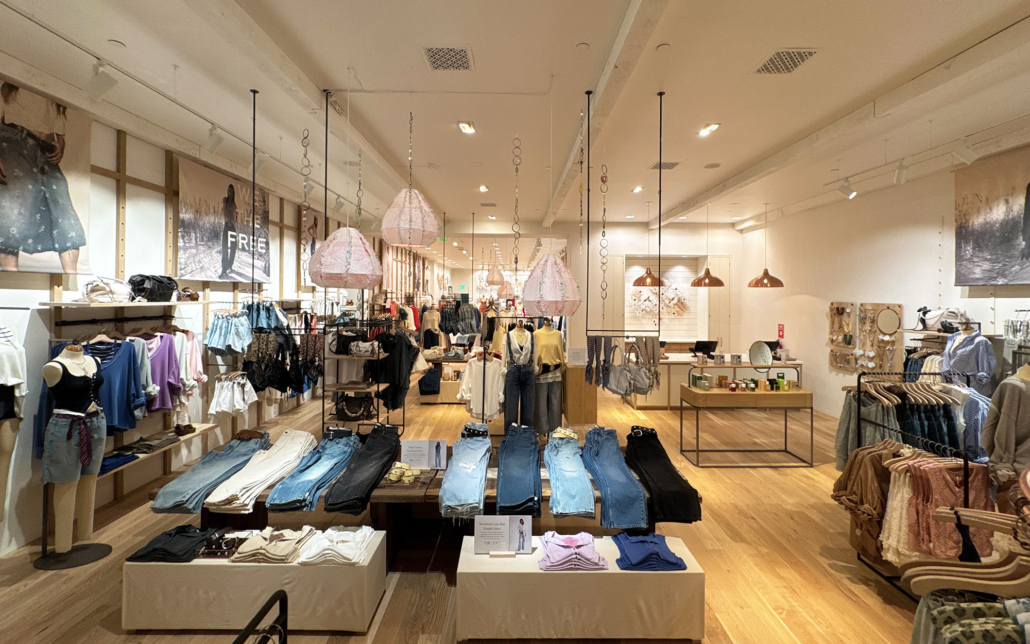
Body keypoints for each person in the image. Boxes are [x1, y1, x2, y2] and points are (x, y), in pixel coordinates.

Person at [0, 82, 86, 273]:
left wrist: (60, 142)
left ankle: (72, 280)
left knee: (64, 213)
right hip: (12, 140)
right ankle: (9, 282)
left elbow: (58, 125)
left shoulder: (55, 81)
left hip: (44, 148)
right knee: (13, 213)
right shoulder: (10, 80)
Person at [219, 184, 237, 279]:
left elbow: (234, 216)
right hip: (226, 225)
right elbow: (225, 212)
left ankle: (230, 265)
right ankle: (224, 268)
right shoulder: (225, 200)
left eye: (232, 191)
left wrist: (233, 223)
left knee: (233, 248)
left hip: (233, 226)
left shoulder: (234, 204)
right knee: (225, 247)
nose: (230, 193)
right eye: (229, 191)